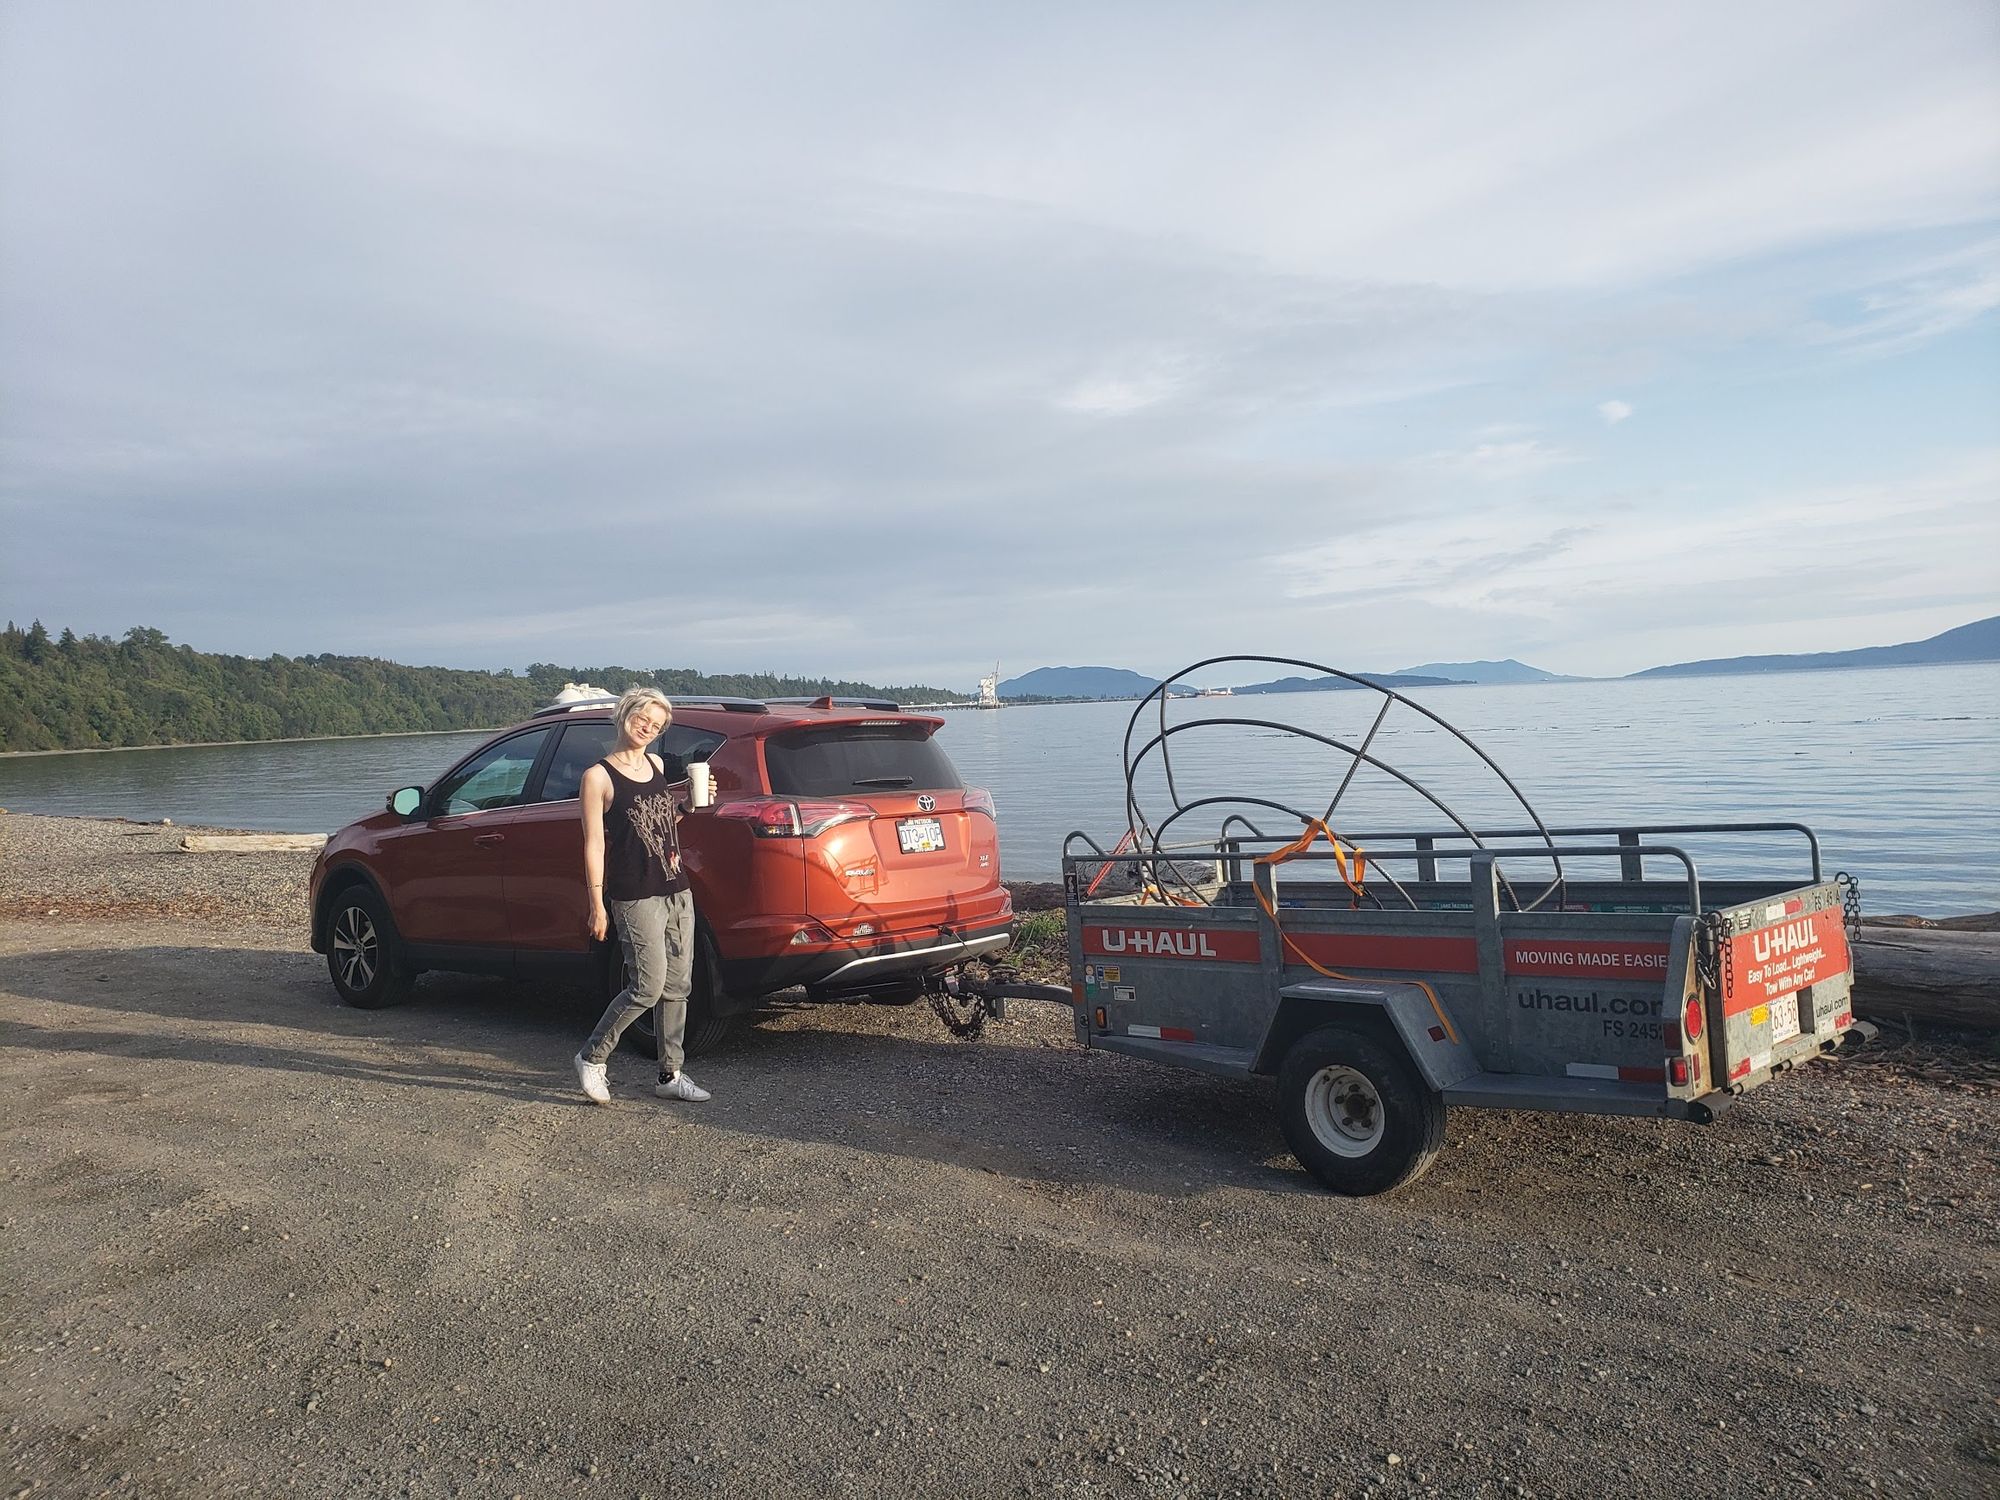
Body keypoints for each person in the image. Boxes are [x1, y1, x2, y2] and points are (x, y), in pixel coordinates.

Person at [572, 687, 713, 1106]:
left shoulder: (654, 764)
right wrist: (597, 904)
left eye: (656, 724)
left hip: (676, 887)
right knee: (646, 987)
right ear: (625, 714)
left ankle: (670, 1074)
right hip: (634, 894)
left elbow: (657, 822)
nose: (647, 728)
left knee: (677, 986)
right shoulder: (597, 776)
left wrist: (687, 806)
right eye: (642, 719)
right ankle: (591, 1057)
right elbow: (594, 844)